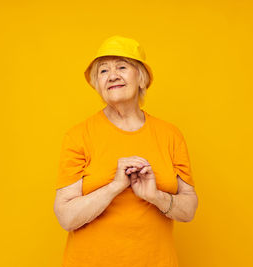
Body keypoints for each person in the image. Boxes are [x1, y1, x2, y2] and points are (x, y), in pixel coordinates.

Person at [53, 35, 198, 267]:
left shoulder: (170, 135)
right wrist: (115, 186)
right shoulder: (78, 136)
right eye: (103, 71)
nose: (112, 76)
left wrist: (154, 196)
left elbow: (188, 209)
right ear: (97, 84)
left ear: (142, 78)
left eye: (122, 66)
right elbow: (66, 217)